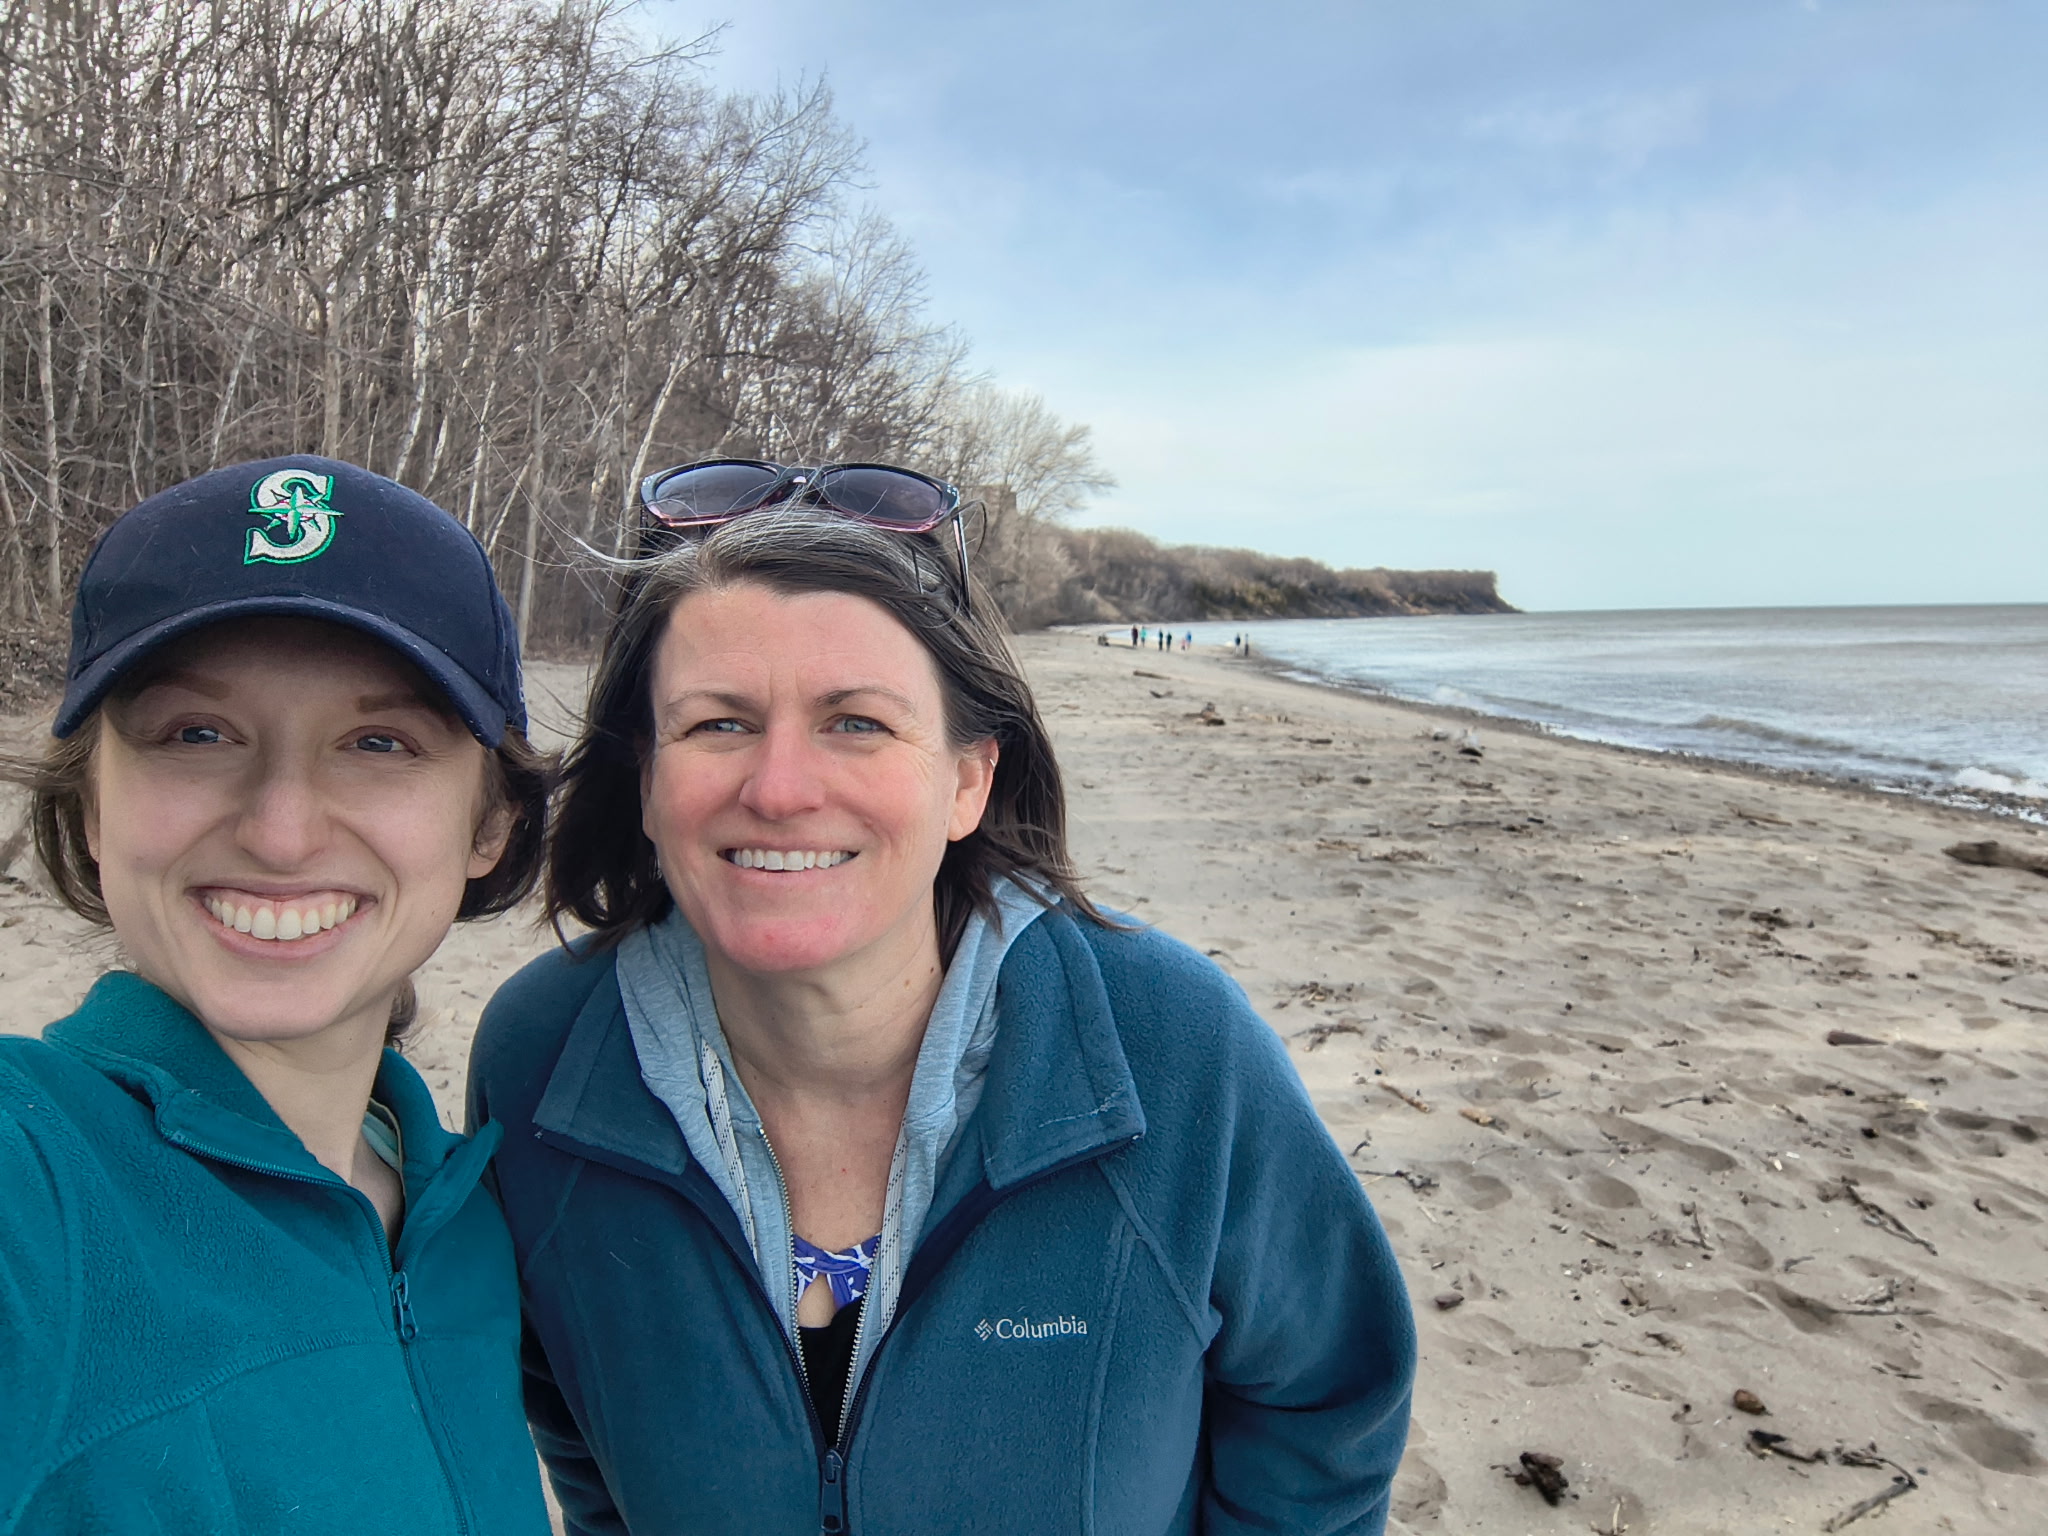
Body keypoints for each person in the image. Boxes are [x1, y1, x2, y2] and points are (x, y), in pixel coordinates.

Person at [471, 460, 1415, 1535]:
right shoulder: (540, 1056)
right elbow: (573, 1425)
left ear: (967, 780)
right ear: (644, 777)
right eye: (717, 724)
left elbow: (1326, 1407)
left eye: (857, 723)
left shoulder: (1173, 1046)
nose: (779, 788)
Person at [0, 456, 554, 1532]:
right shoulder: (36, 1187)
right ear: (94, 807)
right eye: (195, 735)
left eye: (378, 743)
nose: (280, 829)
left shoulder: (469, 1218)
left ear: (489, 824)